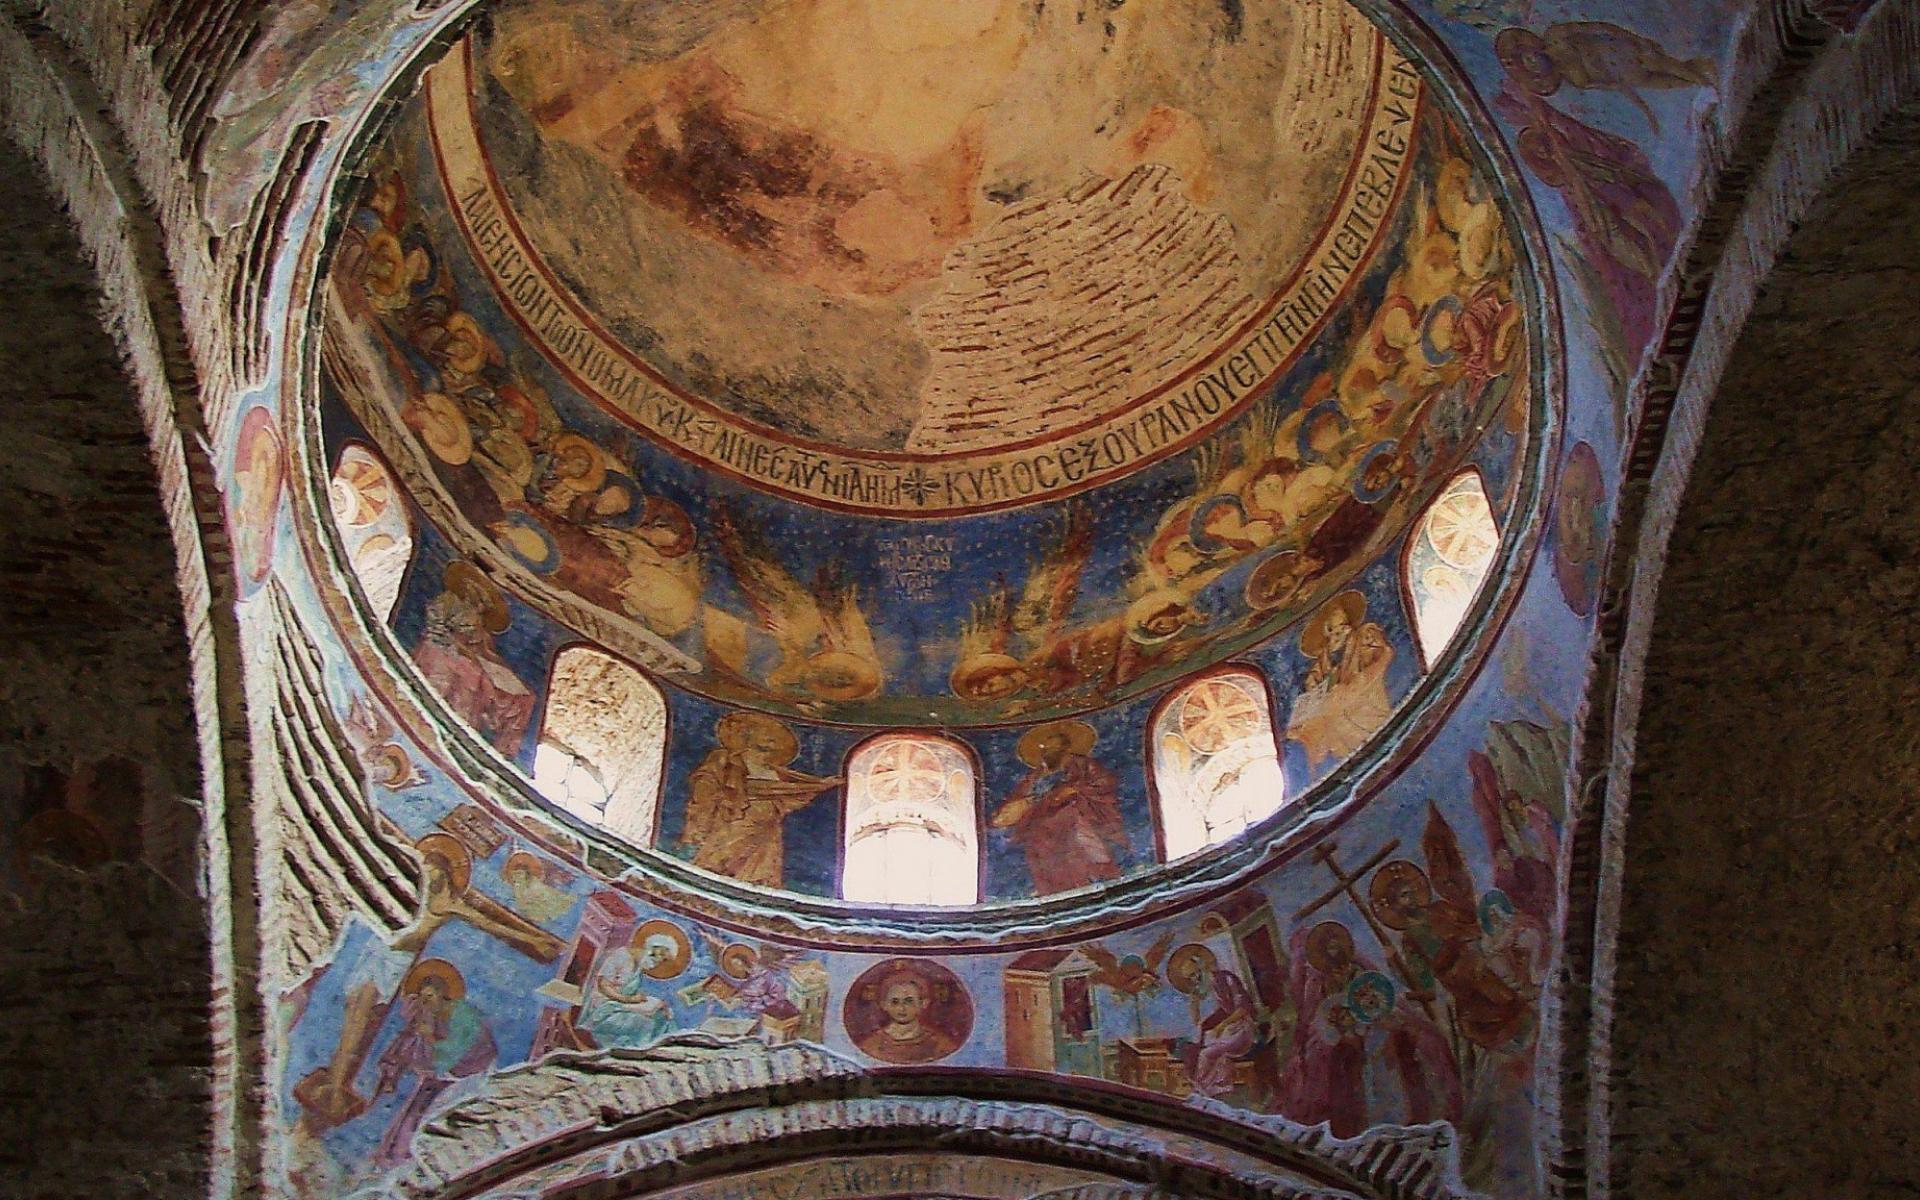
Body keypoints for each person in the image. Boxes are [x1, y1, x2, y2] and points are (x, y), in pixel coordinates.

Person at [678, 713, 839, 888]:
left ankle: (757, 885)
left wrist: (820, 785)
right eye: (766, 734)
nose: (771, 740)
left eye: (774, 738)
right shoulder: (727, 758)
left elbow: (793, 789)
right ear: (748, 734)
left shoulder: (774, 769)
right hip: (740, 816)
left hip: (768, 824)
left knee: (763, 862)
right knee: (726, 851)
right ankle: (711, 875)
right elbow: (709, 782)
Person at [371, 960, 496, 1166]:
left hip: (470, 1072)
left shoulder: (463, 1014)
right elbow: (415, 1043)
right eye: (422, 997)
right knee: (416, 1107)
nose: (425, 1001)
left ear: (443, 993)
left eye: (429, 996)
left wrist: (429, 1038)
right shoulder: (431, 1014)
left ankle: (410, 1156)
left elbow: (457, 1050)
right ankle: (394, 1153)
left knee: (433, 1111)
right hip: (442, 1072)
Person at [990, 721, 1130, 895]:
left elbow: (1104, 782)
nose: (1048, 752)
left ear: (1064, 748)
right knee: (1038, 842)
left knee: (1072, 835)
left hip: (1072, 811)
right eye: (1046, 749)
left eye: (1054, 747)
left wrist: (1073, 790)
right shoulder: (1035, 776)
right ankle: (1051, 888)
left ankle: (1092, 878)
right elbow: (1019, 799)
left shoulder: (1080, 764)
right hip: (1038, 822)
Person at [410, 562, 535, 754]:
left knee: (514, 690)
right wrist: (454, 643)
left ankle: (467, 732)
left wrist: (484, 659)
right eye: (479, 596)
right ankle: (449, 719)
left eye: (485, 602)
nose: (481, 604)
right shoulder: (448, 601)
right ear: (468, 588)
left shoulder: (480, 622)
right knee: (471, 675)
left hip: (465, 656)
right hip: (442, 649)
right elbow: (436, 627)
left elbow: (484, 649)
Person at [1285, 591, 1395, 770]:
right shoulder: (1326, 654)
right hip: (1337, 697)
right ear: (1328, 631)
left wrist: (1364, 659)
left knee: (1329, 709)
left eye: (1343, 625)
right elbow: (1316, 679)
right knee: (1307, 725)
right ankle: (1316, 765)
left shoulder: (1363, 635)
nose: (1340, 632)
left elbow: (1382, 653)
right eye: (1334, 629)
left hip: (1361, 691)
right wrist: (1315, 685)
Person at [1170, 944, 1257, 1099]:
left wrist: (1222, 1025)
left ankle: (1208, 1091)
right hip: (1219, 1033)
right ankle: (1209, 1089)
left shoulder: (1226, 979)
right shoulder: (1203, 993)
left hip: (1239, 1028)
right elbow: (1198, 1023)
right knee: (1192, 1050)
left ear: (1201, 966)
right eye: (1190, 977)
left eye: (1195, 973)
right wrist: (1194, 1004)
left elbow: (1244, 1008)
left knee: (1206, 1054)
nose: (1195, 979)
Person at [580, 926, 686, 1048]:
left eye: (663, 960)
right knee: (645, 1023)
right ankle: (633, 1050)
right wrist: (629, 999)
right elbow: (604, 986)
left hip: (620, 1006)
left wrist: (651, 1001)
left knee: (661, 1017)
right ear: (653, 949)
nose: (659, 962)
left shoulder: (639, 967)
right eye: (661, 956)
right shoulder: (620, 956)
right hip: (602, 1009)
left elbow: (629, 992)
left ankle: (667, 1048)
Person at [853, 965, 962, 1064]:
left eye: (909, 1001)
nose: (902, 1008)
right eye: (895, 1002)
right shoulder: (872, 1044)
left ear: (923, 1003)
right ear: (884, 1005)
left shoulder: (940, 1044)